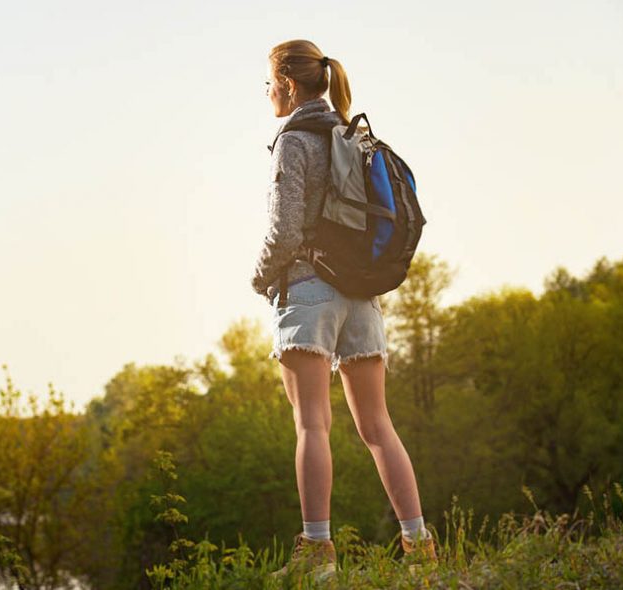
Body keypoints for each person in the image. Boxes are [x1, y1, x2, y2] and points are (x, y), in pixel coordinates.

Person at [250, 39, 438, 580]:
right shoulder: (349, 135)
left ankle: (317, 555)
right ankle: (419, 546)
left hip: (309, 290)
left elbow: (283, 231)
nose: (266, 93)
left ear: (286, 83)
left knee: (312, 423)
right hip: (362, 295)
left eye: (268, 83)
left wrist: (261, 277)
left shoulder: (292, 142)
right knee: (379, 425)